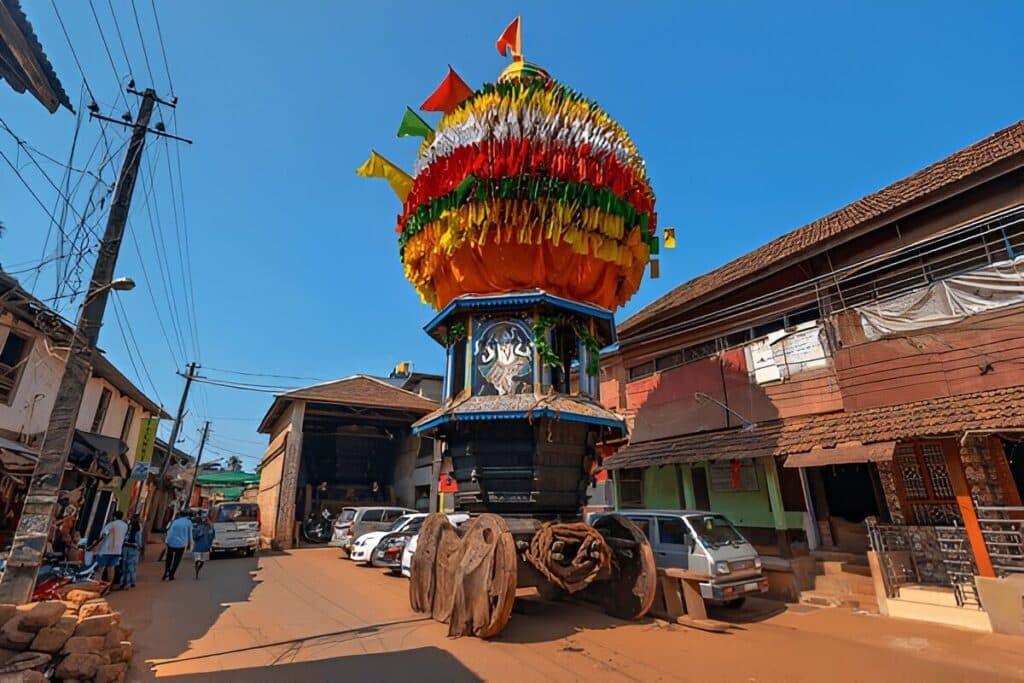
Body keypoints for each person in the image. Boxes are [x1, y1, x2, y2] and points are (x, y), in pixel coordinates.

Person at [93, 510, 127, 583]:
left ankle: (97, 584)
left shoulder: (111, 524)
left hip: (106, 550)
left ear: (114, 517)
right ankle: (109, 585)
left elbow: (103, 536)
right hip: (117, 551)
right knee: (111, 568)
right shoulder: (125, 525)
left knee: (101, 568)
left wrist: (96, 546)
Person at [163, 511, 192, 581]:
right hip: (181, 544)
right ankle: (171, 574)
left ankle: (166, 572)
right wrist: (189, 544)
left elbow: (168, 531)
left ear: (180, 515)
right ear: (187, 516)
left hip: (170, 542)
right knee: (177, 560)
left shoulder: (174, 521)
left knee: (169, 559)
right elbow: (189, 534)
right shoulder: (188, 522)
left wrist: (166, 541)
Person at [120, 514, 142, 589]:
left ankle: (123, 582)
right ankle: (131, 581)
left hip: (125, 547)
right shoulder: (138, 528)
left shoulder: (127, 526)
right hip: (133, 548)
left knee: (124, 565)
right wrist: (139, 547)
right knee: (131, 565)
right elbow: (139, 540)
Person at [191, 511, 215, 580]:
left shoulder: (211, 528)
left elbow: (212, 536)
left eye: (206, 520)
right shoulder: (198, 528)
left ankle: (197, 570)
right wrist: (199, 535)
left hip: (205, 547)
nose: (205, 522)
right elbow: (194, 536)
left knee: (202, 561)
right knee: (197, 560)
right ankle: (196, 571)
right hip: (198, 547)